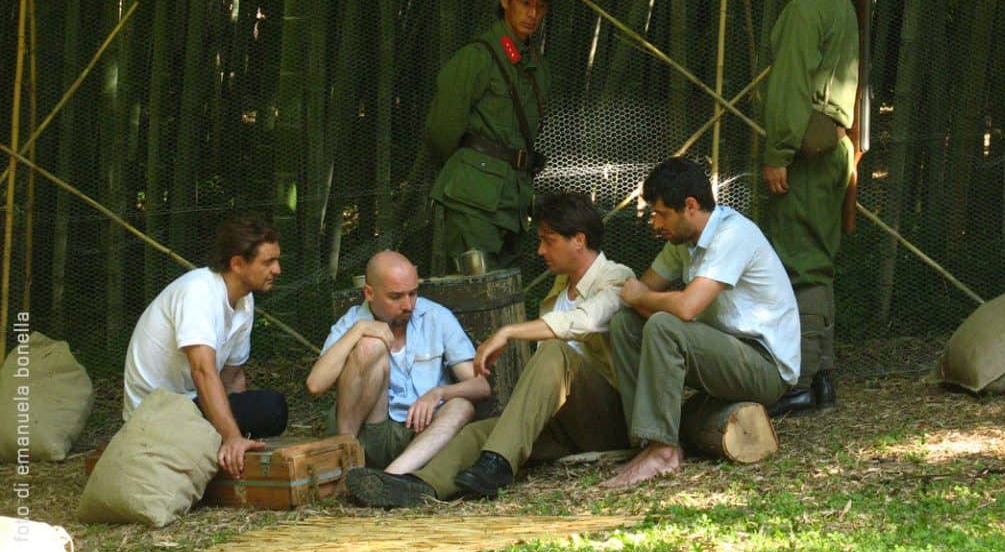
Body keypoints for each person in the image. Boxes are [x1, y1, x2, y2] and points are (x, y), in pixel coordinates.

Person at [344, 192, 634, 507]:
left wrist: (508, 331)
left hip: (609, 421)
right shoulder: (557, 292)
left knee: (555, 351)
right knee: (478, 433)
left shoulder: (618, 278)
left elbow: (582, 321)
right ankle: (418, 486)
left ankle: (497, 465)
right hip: (562, 425)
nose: (540, 250)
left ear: (578, 240)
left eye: (548, 241)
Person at [601, 157, 799, 488]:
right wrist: (628, 295)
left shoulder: (732, 234)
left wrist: (641, 298)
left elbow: (686, 307)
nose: (655, 222)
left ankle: (664, 451)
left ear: (690, 206)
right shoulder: (683, 243)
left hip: (766, 367)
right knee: (626, 324)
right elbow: (643, 290)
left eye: (661, 213)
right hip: (726, 352)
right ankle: (649, 440)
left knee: (665, 325)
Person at [745, 0, 858, 415]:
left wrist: (777, 153)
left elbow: (790, 88)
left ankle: (808, 381)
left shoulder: (803, 10)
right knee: (815, 258)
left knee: (801, 264)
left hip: (803, 155)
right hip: (830, 147)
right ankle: (822, 377)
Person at [123, 214, 289, 479]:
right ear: (237, 263)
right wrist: (232, 436)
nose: (277, 269)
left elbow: (232, 378)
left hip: (190, 405)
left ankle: (211, 443)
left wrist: (235, 427)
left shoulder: (244, 302)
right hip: (154, 412)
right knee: (260, 411)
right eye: (268, 262)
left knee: (272, 410)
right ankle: (206, 442)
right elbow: (202, 371)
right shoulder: (198, 291)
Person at [425, 0, 556, 275]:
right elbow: (442, 130)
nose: (532, 14)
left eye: (540, 7)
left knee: (505, 293)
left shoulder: (537, 65)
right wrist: (471, 172)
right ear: (505, 0)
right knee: (474, 290)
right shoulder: (478, 57)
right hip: (473, 198)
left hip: (514, 198)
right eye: (525, 3)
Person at [306, 251, 490, 474]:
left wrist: (438, 393)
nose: (408, 305)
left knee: (462, 406)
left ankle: (393, 476)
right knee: (369, 345)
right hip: (367, 431)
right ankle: (347, 462)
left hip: (422, 434)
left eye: (413, 294)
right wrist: (359, 330)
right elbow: (315, 384)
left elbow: (481, 386)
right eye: (396, 296)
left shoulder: (435, 316)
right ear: (369, 293)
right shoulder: (352, 322)